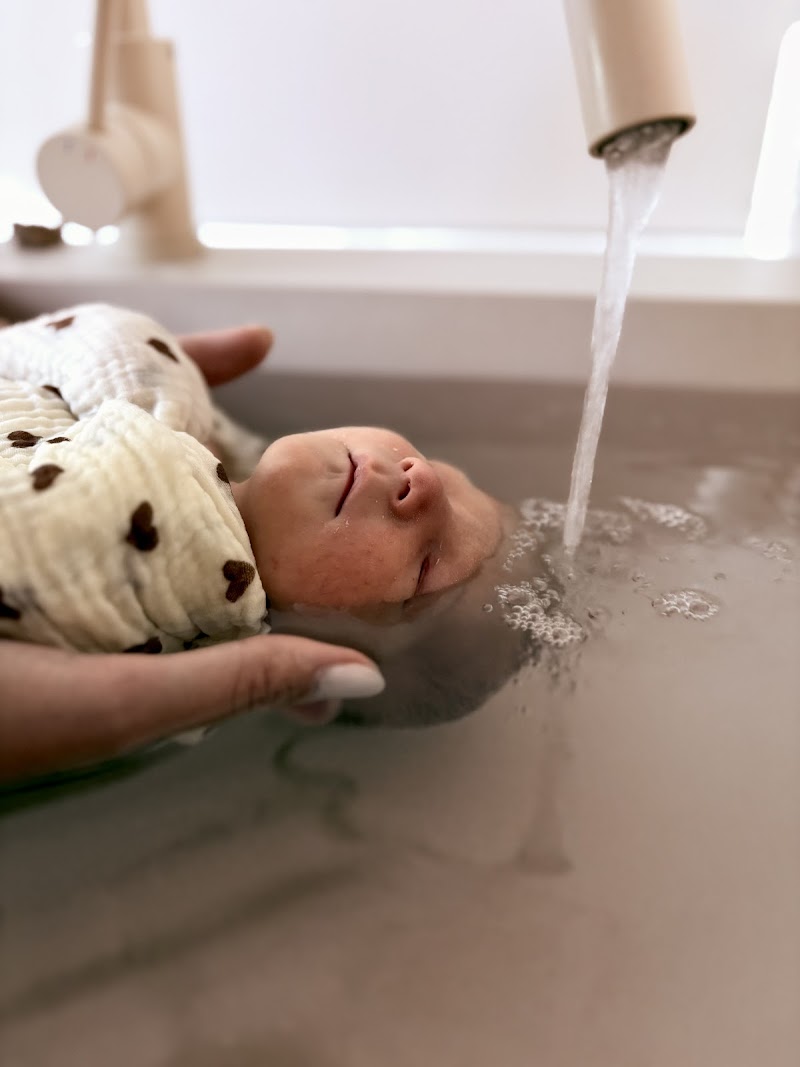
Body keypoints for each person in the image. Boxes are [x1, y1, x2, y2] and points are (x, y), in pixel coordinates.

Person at [0, 304, 513, 779]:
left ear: (312, 654)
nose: (420, 479)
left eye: (425, 566)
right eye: (445, 475)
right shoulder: (187, 424)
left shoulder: (134, 647)